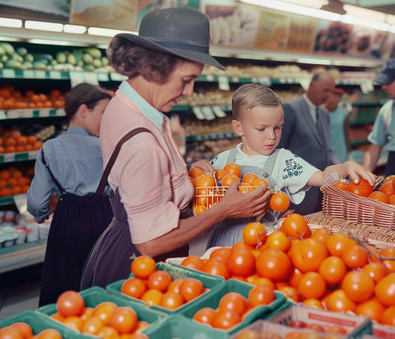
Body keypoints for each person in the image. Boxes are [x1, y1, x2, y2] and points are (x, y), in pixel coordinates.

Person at [80, 7, 271, 289]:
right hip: (140, 269)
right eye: (186, 80)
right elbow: (151, 242)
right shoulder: (143, 143)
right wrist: (225, 210)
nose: (190, 91)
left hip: (115, 245)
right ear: (155, 67)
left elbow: (141, 180)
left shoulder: (124, 104)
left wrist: (180, 176)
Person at [205, 84, 376, 248]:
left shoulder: (283, 160)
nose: (272, 136)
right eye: (262, 129)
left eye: (278, 128)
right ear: (238, 128)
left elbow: (324, 177)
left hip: (265, 244)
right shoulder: (222, 160)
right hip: (222, 244)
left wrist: (345, 166)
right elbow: (202, 197)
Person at [27, 83, 114, 306]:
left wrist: (41, 215)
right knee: (104, 282)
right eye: (103, 113)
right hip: (105, 217)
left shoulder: (50, 148)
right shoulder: (106, 146)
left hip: (66, 221)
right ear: (83, 110)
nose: (106, 120)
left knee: (66, 284)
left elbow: (37, 202)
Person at [277, 71, 340, 215]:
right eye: (325, 90)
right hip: (297, 191)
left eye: (331, 91)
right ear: (312, 85)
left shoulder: (324, 114)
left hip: (321, 189)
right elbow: (279, 150)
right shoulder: (290, 109)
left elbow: (327, 150)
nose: (328, 96)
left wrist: (341, 169)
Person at [323, 87, 351, 163]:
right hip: (324, 153)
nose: (334, 99)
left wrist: (349, 153)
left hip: (340, 151)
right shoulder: (319, 113)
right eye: (333, 96)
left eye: (338, 96)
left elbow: (346, 135)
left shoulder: (343, 114)